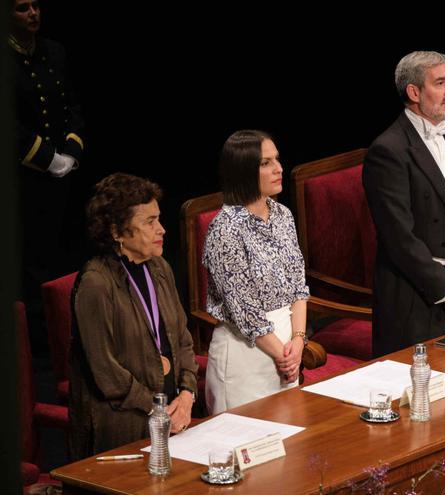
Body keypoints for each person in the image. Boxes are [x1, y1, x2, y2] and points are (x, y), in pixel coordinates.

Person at [363, 51, 445, 357]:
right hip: (414, 299)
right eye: (440, 82)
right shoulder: (388, 150)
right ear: (414, 92)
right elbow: (399, 237)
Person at [69, 174, 197, 461]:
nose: (161, 229)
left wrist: (187, 394)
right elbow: (106, 373)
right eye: (149, 222)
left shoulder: (160, 267)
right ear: (117, 232)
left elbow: (183, 340)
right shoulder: (96, 284)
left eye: (159, 219)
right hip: (123, 425)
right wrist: (159, 409)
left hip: (175, 415)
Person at [203, 130, 309, 414]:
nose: (279, 168)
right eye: (266, 163)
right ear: (243, 171)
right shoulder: (225, 230)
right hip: (246, 356)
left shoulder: (283, 215)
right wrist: (284, 356)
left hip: (287, 350)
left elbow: (299, 286)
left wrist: (298, 340)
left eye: (277, 159)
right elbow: (244, 311)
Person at [10, 0, 86, 350]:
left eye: (37, 6)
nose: (33, 13)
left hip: (64, 174)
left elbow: (71, 104)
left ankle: (68, 332)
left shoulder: (54, 51)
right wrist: (46, 158)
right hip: (24, 179)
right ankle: (40, 343)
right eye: (22, 8)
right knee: (34, 261)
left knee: (63, 255)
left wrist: (70, 151)